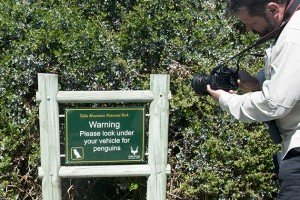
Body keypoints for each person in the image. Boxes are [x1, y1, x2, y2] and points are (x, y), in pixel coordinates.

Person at [206, 0, 300, 199]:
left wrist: (228, 100)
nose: (249, 30)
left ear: (273, 9)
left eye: (253, 23)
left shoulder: (293, 35)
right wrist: (258, 82)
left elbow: (274, 104)